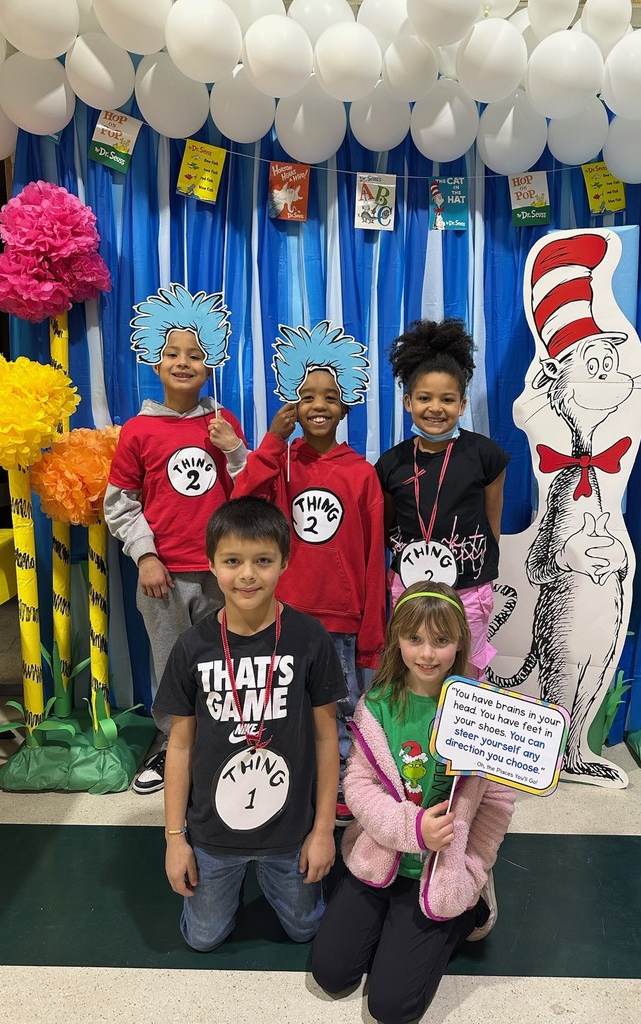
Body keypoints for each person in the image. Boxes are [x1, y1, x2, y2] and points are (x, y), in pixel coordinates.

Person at [311, 582, 515, 1024]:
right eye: (414, 639)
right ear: (397, 640)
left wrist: (473, 867)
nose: (426, 653)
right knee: (331, 972)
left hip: (443, 867)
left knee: (391, 1008)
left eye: (441, 641)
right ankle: (393, 922)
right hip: (382, 856)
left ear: (461, 641)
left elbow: (497, 802)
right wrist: (412, 828)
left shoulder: (481, 709)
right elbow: (361, 788)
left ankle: (468, 911)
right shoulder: (379, 704)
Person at [154, 497, 346, 950]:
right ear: (211, 564)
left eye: (263, 561)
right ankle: (229, 879)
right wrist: (174, 839)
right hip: (213, 834)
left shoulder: (308, 637)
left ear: (284, 562)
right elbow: (179, 748)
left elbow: (325, 739)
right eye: (232, 561)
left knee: (307, 931)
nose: (247, 575)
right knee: (202, 939)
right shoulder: (191, 648)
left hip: (291, 829)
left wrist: (322, 832)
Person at [233, 321, 386, 827]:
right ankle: (290, 782)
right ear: (293, 405)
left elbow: (371, 558)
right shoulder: (282, 464)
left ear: (346, 406)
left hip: (341, 619)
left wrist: (370, 630)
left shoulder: (361, 473)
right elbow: (243, 504)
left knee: (340, 707)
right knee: (286, 705)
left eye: (330, 396)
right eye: (306, 396)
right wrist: (273, 443)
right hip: (287, 613)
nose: (318, 405)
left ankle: (342, 786)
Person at [105, 285, 247, 794]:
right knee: (169, 663)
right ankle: (172, 746)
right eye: (171, 353)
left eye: (194, 354)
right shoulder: (139, 430)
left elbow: (249, 493)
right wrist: (145, 555)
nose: (182, 362)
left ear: (210, 365)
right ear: (154, 361)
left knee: (224, 660)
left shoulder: (223, 422)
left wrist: (234, 452)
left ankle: (220, 738)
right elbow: (119, 503)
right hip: (162, 576)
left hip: (220, 576)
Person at [375, 318, 509, 679]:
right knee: (415, 669)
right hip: (409, 589)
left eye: (447, 399)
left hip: (468, 587)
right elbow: (387, 528)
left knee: (464, 671)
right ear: (407, 401)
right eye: (424, 398)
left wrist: (477, 564)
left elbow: (491, 521)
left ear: (462, 404)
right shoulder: (390, 465)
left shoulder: (486, 456)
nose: (436, 408)